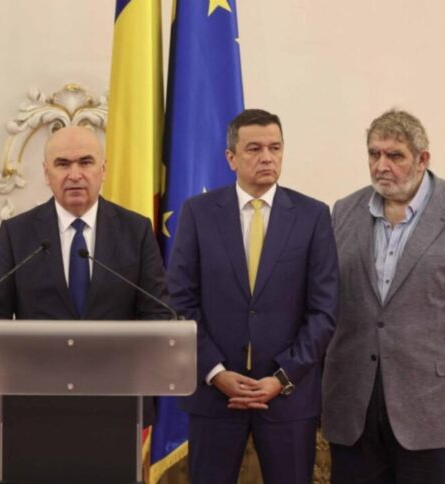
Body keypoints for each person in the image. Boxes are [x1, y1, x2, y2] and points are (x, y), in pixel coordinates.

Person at [168, 109, 338, 484]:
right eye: (254, 149)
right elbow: (179, 301)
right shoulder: (198, 213)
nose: (267, 157)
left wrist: (283, 376)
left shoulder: (312, 216)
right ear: (231, 158)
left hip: (288, 398)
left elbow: (324, 311)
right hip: (216, 395)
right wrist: (215, 372)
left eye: (275, 148)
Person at [322, 109, 445, 483]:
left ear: (422, 159)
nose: (381, 166)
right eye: (374, 154)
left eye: (394, 155)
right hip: (352, 405)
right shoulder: (344, 211)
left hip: (429, 407)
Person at [0, 125, 173, 322]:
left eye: (85, 162)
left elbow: (158, 313)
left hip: (115, 345)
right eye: (63, 164)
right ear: (46, 173)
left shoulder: (136, 231)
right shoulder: (16, 234)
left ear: (103, 170)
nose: (75, 175)